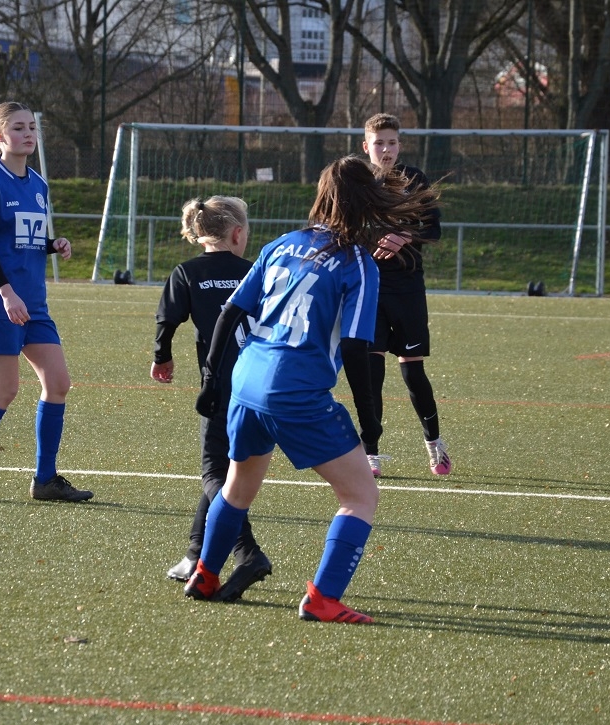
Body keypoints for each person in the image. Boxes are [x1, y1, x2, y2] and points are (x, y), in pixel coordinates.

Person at [183, 156, 439, 623]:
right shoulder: (358, 263)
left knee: (238, 486)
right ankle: (323, 599)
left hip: (247, 380)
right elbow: (358, 349)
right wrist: (369, 421)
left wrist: (210, 380)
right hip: (295, 390)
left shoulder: (282, 244)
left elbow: (230, 313)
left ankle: (205, 573)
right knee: (361, 496)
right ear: (367, 203)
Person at [0, 101, 93, 504]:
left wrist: (53, 244)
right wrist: (6, 292)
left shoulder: (38, 184)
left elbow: (22, 239)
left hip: (33, 303)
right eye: (18, 128)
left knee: (58, 383)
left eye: (31, 127)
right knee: (5, 388)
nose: (28, 133)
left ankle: (45, 481)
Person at [151, 196, 271, 600]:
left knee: (215, 474)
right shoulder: (256, 270)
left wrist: (162, 357)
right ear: (237, 234)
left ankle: (246, 551)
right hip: (265, 382)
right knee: (226, 467)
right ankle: (195, 553)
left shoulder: (188, 272)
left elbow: (167, 320)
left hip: (222, 385)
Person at [352, 112, 450, 479]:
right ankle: (370, 453)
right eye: (379, 143)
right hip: (369, 289)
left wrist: (405, 236)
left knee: (413, 372)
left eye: (392, 142)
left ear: (400, 145)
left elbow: (434, 229)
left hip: (407, 288)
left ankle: (434, 442)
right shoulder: (356, 182)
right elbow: (343, 228)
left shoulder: (415, 179)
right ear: (366, 147)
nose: (386, 149)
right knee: (371, 374)